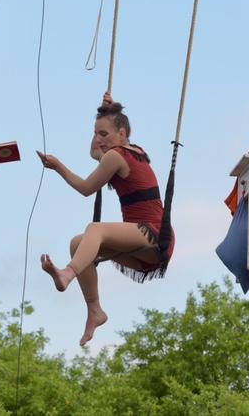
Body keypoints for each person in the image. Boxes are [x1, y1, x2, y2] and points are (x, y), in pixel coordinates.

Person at [37, 93, 175, 346]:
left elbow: (86, 188)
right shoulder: (133, 150)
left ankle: (68, 273)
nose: (99, 140)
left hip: (154, 235)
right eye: (96, 133)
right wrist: (105, 113)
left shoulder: (115, 156)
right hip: (144, 250)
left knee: (95, 229)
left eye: (104, 134)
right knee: (78, 243)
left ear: (122, 134)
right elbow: (93, 151)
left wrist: (58, 167)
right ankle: (95, 311)